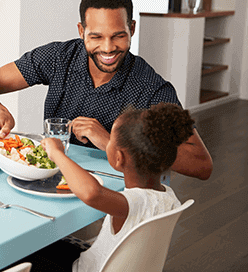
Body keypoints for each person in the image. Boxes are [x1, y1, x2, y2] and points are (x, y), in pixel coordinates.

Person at [0, 0, 212, 180]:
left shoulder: (151, 88)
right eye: (96, 36)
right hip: (50, 178)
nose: (107, 48)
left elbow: (201, 165)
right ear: (81, 30)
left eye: (118, 36)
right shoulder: (58, 57)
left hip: (111, 199)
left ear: (132, 29)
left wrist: (111, 142)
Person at [33, 103, 194, 272]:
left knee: (31, 250)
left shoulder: (133, 203)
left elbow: (92, 193)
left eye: (111, 141)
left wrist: (56, 153)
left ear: (119, 158)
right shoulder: (168, 197)